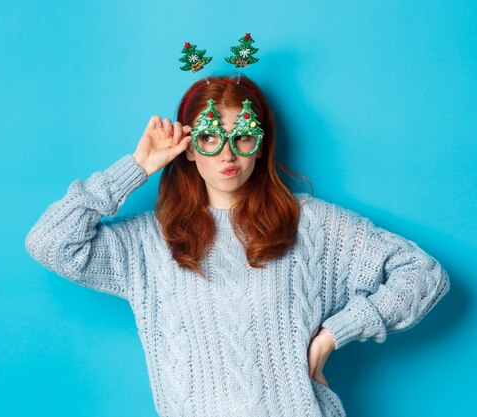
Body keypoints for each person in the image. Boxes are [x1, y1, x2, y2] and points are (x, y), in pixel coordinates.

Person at [25, 74, 450, 417]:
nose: (229, 153)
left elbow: (423, 274)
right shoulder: (147, 243)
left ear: (259, 144)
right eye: (210, 137)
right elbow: (51, 242)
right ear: (189, 148)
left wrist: (331, 336)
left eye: (243, 136)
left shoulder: (311, 224)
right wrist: (137, 167)